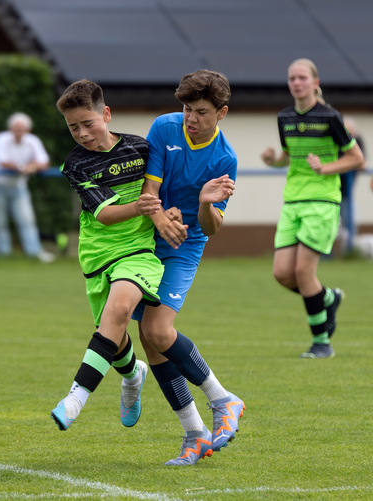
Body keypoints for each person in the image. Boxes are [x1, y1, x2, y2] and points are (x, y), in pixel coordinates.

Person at [133, 70, 245, 465]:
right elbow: (149, 189)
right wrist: (162, 217)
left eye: (200, 111)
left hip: (186, 244)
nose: (190, 118)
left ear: (222, 113)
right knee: (150, 338)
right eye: (186, 108)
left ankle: (223, 399)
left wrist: (202, 203)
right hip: (147, 237)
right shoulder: (165, 127)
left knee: (158, 329)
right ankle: (195, 434)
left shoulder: (224, 158)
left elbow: (212, 227)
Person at [49, 79, 164, 442]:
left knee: (118, 314)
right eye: (73, 127)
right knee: (111, 336)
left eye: (88, 123)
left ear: (107, 114)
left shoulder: (143, 148)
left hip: (139, 251)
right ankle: (132, 376)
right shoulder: (75, 164)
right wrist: (141, 206)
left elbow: (164, 186)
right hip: (99, 254)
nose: (82, 133)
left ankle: (75, 399)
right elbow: (104, 215)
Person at [260, 58, 365, 358]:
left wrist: (326, 167)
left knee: (304, 271)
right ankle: (327, 298)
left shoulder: (331, 117)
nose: (297, 82)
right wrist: (272, 159)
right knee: (282, 273)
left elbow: (356, 158)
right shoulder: (284, 118)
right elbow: (287, 157)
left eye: (302, 77)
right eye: (292, 78)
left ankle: (322, 343)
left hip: (323, 201)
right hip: (292, 201)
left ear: (315, 83)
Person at [0, 113, 55, 263]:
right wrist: (23, 167)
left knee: (27, 220)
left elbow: (44, 162)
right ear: (10, 129)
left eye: (21, 129)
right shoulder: (1, 138)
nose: (18, 132)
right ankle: (4, 256)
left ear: (28, 130)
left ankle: (34, 254)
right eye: (16, 129)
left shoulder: (33, 141)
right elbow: (2, 161)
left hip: (18, 187)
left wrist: (33, 166)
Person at [336, 117, 365, 256]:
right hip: (331, 191)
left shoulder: (357, 142)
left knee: (349, 221)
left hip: (347, 192)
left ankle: (350, 252)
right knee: (330, 225)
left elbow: (361, 161)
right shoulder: (335, 140)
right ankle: (324, 253)